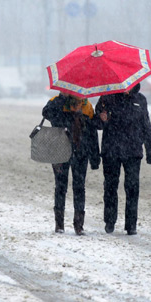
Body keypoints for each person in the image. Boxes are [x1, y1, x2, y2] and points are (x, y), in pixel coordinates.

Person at [95, 83, 151, 235]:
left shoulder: (140, 100)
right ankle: (109, 222)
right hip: (111, 151)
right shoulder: (106, 98)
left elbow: (146, 126)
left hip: (133, 151)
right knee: (110, 187)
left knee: (132, 188)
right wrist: (101, 118)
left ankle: (131, 225)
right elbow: (96, 124)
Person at [42, 93, 100, 235]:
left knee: (79, 187)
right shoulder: (57, 102)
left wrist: (94, 157)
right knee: (61, 187)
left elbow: (92, 133)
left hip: (81, 152)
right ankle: (59, 225)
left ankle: (79, 225)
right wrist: (63, 97)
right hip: (60, 150)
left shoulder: (87, 107)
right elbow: (46, 112)